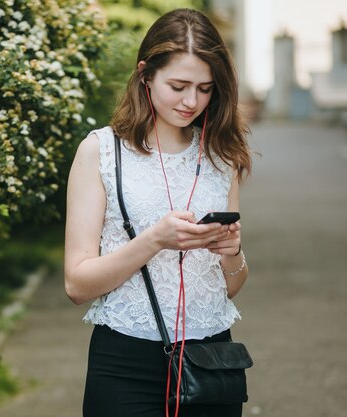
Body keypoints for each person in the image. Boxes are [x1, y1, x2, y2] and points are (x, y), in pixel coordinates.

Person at [64, 8, 253, 417]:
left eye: (205, 88)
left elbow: (231, 287)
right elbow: (77, 285)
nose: (192, 101)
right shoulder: (100, 152)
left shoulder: (222, 157)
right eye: (179, 85)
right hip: (125, 365)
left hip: (213, 360)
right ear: (145, 73)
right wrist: (154, 240)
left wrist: (231, 253)